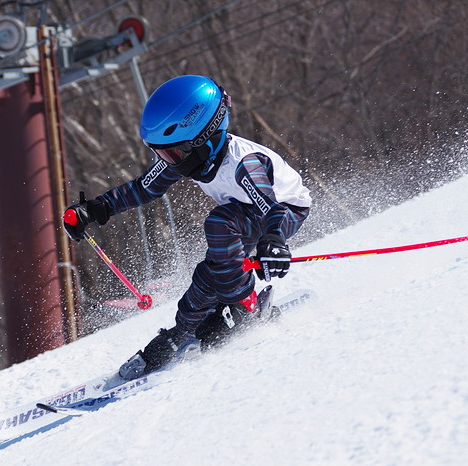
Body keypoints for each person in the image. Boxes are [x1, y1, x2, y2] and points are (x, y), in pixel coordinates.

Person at [63, 75, 311, 381]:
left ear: (202, 140)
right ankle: (179, 334)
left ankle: (245, 308)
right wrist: (95, 209)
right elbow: (145, 188)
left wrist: (274, 240)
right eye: (162, 154)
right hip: (249, 216)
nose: (169, 162)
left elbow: (272, 207)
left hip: (283, 212)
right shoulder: (195, 158)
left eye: (173, 154)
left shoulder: (245, 164)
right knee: (205, 280)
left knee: (220, 222)